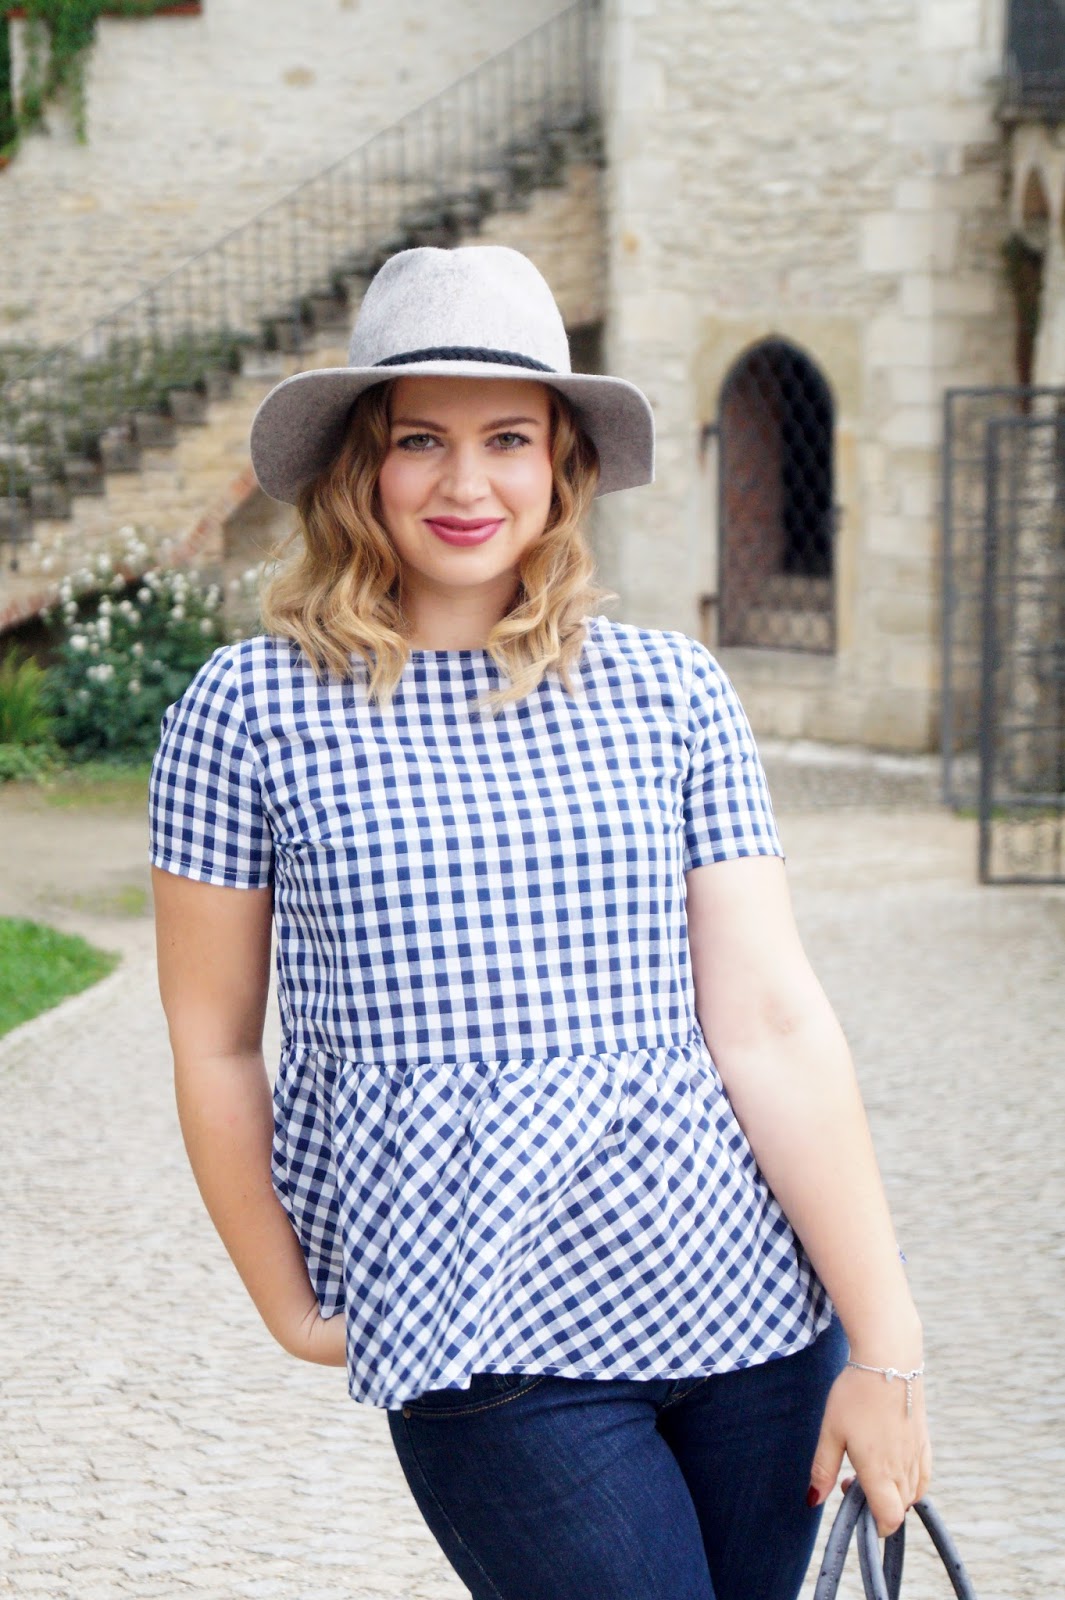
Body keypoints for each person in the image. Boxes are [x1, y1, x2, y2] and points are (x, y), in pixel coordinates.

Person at [149, 245, 931, 1600]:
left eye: (508, 438)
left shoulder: (670, 691)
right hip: (482, 1338)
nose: (466, 484)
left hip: (746, 1310)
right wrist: (284, 1299)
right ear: (360, 463)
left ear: (561, 461)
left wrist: (885, 1348)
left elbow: (770, 1022)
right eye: (421, 441)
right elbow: (214, 1040)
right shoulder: (250, 709)